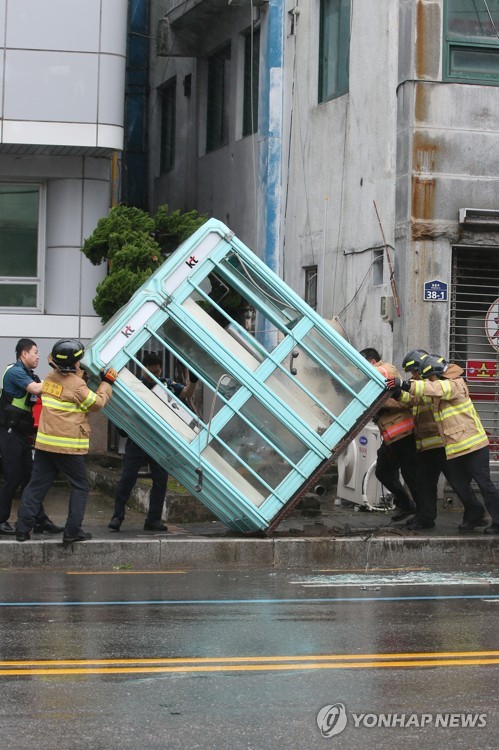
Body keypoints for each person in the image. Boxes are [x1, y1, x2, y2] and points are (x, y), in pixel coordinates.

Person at [16, 339, 116, 543]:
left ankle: (22, 529)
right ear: (73, 364)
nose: (81, 365)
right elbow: (96, 404)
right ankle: (72, 532)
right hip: (68, 446)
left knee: (36, 487)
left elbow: (67, 390)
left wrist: (80, 376)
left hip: (45, 445)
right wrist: (107, 383)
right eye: (79, 362)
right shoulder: (78, 385)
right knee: (80, 486)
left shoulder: (50, 377)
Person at [393, 354, 499, 535]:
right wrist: (398, 393)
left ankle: (497, 521)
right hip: (456, 447)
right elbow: (419, 398)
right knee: (459, 483)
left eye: (429, 377)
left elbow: (438, 388)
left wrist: (405, 384)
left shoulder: (454, 384)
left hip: (474, 446)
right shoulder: (438, 391)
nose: (427, 380)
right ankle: (474, 515)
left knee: (485, 484)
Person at [108, 353, 198, 532]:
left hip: (159, 443)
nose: (156, 375)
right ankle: (117, 517)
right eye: (152, 372)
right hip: (138, 439)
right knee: (127, 479)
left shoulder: (167, 385)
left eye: (158, 371)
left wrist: (193, 381)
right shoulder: (135, 386)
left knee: (160, 481)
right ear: (144, 369)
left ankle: (153, 520)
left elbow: (186, 393)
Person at [0, 338, 63, 536]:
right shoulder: (16, 372)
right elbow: (37, 389)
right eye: (35, 352)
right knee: (13, 478)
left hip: (20, 434)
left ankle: (39, 520)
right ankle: (1, 520)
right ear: (23, 354)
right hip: (8, 433)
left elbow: (48, 391)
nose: (37, 356)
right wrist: (60, 378)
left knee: (31, 479)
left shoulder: (29, 374)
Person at [359, 347, 424, 522]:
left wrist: (379, 404)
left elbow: (400, 401)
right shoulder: (378, 375)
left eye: (362, 364)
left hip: (404, 434)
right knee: (383, 472)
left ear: (372, 362)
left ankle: (422, 514)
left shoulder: (386, 369)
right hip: (390, 437)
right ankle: (407, 505)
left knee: (411, 475)